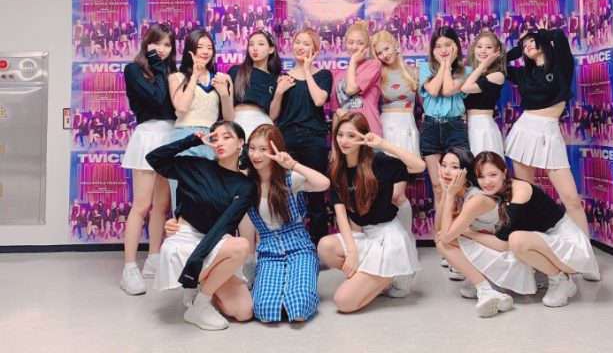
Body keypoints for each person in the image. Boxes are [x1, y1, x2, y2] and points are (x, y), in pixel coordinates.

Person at [504, 23, 600, 281]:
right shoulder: (523, 73)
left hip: (549, 131)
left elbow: (558, 36)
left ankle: (586, 259)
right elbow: (500, 64)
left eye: (531, 42)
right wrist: (519, 48)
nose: (527, 46)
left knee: (572, 200)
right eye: (523, 45)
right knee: (525, 197)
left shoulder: (560, 65)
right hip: (524, 131)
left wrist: (537, 35)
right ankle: (531, 259)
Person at [147, 122, 255, 331]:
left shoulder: (246, 185)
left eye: (227, 137)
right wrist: (192, 140)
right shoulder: (195, 165)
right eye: (215, 138)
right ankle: (200, 304)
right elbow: (154, 158)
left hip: (215, 241)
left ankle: (199, 290)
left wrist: (198, 260)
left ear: (240, 142)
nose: (219, 142)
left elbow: (225, 224)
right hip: (184, 239)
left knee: (243, 312)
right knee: (242, 245)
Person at [457, 152, 599, 309]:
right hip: (544, 242)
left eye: (493, 175)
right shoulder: (495, 192)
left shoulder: (520, 191)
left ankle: (560, 279)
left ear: (504, 173)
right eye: (481, 177)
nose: (487, 182)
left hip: (568, 248)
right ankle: (492, 281)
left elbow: (502, 244)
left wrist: (467, 232)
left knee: (516, 240)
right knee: (504, 237)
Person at [317, 113, 426, 313]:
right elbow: (341, 217)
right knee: (325, 247)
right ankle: (383, 278)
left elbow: (419, 166)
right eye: (340, 135)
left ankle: (395, 273)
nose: (344, 141)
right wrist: (352, 253)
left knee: (343, 302)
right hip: (367, 237)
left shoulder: (379, 162)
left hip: (389, 238)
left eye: (351, 135)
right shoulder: (337, 170)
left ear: (363, 137)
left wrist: (382, 144)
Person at [244, 124, 330, 322]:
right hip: (268, 254)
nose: (256, 155)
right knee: (265, 311)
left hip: (300, 249)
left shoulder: (289, 179)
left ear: (276, 150)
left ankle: (300, 287)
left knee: (298, 309)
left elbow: (323, 184)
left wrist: (293, 164)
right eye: (252, 148)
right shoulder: (246, 183)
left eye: (263, 149)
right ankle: (278, 294)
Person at [120, 24, 178, 295]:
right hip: (148, 136)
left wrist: (165, 69)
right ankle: (129, 267)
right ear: (147, 44)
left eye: (167, 45)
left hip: (170, 137)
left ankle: (154, 258)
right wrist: (158, 64)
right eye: (157, 44)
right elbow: (156, 100)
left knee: (162, 206)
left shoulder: (171, 71)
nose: (162, 49)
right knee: (141, 205)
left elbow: (175, 107)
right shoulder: (134, 70)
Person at [269, 28, 333, 245]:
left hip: (313, 140)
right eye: (297, 42)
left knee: (316, 197)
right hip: (287, 139)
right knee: (286, 193)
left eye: (306, 44)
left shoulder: (323, 75)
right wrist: (279, 91)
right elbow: (273, 115)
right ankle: (289, 243)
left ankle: (319, 246)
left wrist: (307, 70)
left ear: (315, 49)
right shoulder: (283, 78)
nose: (300, 47)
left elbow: (319, 100)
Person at [435, 147, 514, 318]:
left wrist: (449, 196)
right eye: (444, 165)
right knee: (442, 239)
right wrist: (445, 194)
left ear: (466, 171)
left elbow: (446, 237)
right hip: (491, 250)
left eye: (454, 167)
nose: (447, 171)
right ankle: (488, 288)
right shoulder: (460, 192)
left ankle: (485, 289)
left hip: (506, 257)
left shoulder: (476, 198)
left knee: (443, 242)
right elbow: (439, 229)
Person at [419, 26, 469, 246]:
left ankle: (457, 239)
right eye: (438, 46)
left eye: (448, 45)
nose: (443, 50)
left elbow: (448, 90)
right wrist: (442, 65)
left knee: (458, 187)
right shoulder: (424, 68)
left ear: (456, 46)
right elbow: (432, 90)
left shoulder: (465, 71)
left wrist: (448, 65)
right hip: (431, 127)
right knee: (438, 187)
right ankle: (442, 240)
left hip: (455, 127)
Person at [371, 30, 419, 234]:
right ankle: (394, 238)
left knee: (399, 194)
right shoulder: (377, 74)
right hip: (387, 130)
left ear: (396, 45)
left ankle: (407, 239)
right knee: (390, 194)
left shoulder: (413, 71)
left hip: (407, 128)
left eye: (386, 49)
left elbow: (427, 103)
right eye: (379, 53)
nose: (384, 55)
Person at [168, 29, 234, 159]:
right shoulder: (176, 77)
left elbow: (229, 118)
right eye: (200, 47)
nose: (205, 52)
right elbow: (181, 108)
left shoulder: (222, 78)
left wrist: (224, 95)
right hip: (184, 136)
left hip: (212, 137)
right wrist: (194, 76)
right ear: (190, 50)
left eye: (209, 48)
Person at [227, 30, 281, 141]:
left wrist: (280, 92)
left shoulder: (275, 79)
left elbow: (273, 115)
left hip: (263, 124)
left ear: (271, 49)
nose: (255, 48)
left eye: (261, 44)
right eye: (251, 44)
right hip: (237, 121)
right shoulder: (236, 71)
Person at [330, 21, 383, 135]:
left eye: (360, 43)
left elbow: (351, 89)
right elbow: (336, 112)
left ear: (367, 46)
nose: (354, 47)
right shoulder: (338, 75)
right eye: (351, 42)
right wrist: (335, 144)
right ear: (345, 44)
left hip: (369, 129)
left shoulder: (373, 65)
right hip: (346, 134)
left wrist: (353, 61)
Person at [461, 31, 506, 156]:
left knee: (484, 164)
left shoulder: (497, 75)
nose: (483, 51)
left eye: (488, 47)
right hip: (468, 126)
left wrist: (484, 64)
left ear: (497, 50)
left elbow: (465, 88)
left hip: (483, 127)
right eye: (479, 46)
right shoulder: (471, 73)